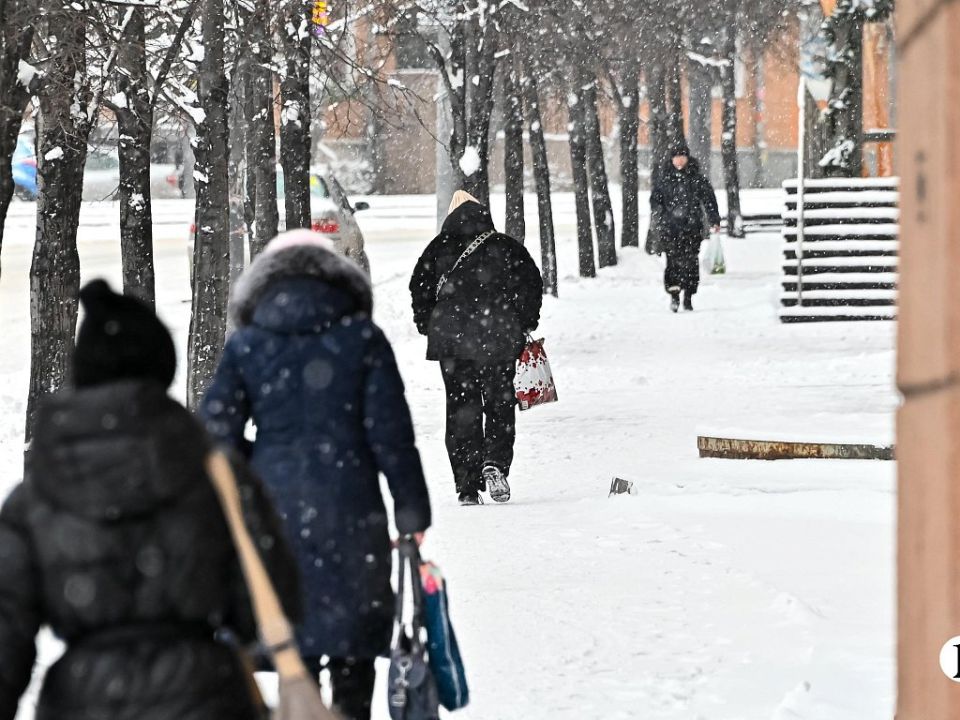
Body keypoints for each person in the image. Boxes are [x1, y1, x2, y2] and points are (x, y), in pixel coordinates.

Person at [0, 280, 301, 720]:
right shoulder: (218, 477)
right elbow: (274, 600)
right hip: (206, 696)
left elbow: (6, 635)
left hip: (84, 702)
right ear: (162, 369)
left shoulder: (36, 498)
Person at [201, 229, 432, 720]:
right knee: (352, 641)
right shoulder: (363, 339)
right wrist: (411, 512)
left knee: (292, 641)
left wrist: (264, 454)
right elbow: (391, 435)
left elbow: (213, 435)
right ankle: (350, 711)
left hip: (274, 511)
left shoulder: (247, 345)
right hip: (353, 510)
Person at [409, 191, 543, 506]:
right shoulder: (506, 246)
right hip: (497, 337)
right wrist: (525, 322)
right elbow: (531, 284)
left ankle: (467, 485)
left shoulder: (438, 248)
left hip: (453, 343)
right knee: (499, 403)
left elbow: (420, 288)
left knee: (461, 409)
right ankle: (494, 462)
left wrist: (428, 324)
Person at [650, 140, 721, 312]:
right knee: (673, 262)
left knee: (690, 262)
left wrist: (714, 220)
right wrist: (660, 214)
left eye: (682, 157)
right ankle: (674, 295)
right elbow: (655, 199)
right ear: (672, 159)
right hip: (671, 228)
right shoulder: (665, 179)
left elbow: (709, 200)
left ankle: (688, 296)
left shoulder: (696, 178)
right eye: (676, 157)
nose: (679, 161)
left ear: (687, 158)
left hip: (692, 228)